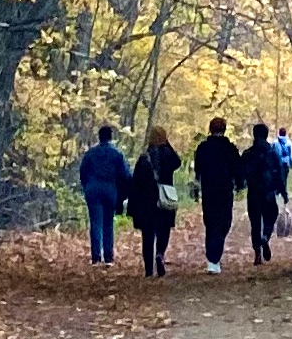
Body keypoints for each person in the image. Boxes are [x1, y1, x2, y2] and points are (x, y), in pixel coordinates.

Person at [191, 115, 244, 273]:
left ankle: (213, 257)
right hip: (225, 190)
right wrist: (240, 184)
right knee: (224, 222)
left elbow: (198, 169)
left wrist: (198, 183)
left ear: (211, 129)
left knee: (211, 222)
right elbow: (237, 168)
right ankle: (214, 258)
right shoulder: (230, 148)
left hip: (208, 190)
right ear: (224, 129)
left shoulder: (203, 148)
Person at [128, 126, 180, 275]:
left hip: (147, 201)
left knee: (148, 234)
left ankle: (149, 269)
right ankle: (160, 254)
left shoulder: (145, 157)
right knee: (164, 230)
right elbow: (178, 162)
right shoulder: (168, 155)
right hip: (165, 198)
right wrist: (167, 144)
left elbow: (136, 180)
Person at [77, 124, 130, 265]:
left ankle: (95, 257)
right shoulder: (117, 154)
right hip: (109, 190)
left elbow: (82, 173)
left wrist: (87, 186)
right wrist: (124, 192)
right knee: (108, 223)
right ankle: (108, 257)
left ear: (99, 137)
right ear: (111, 137)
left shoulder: (90, 154)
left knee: (95, 222)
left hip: (93, 190)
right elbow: (125, 175)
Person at [240, 120, 284, 263]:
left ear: (254, 135)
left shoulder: (247, 154)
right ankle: (265, 237)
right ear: (266, 135)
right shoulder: (273, 152)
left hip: (253, 192)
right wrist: (283, 191)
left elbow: (241, 173)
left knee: (255, 223)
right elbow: (279, 172)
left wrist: (240, 185)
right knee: (270, 217)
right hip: (269, 192)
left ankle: (257, 253)